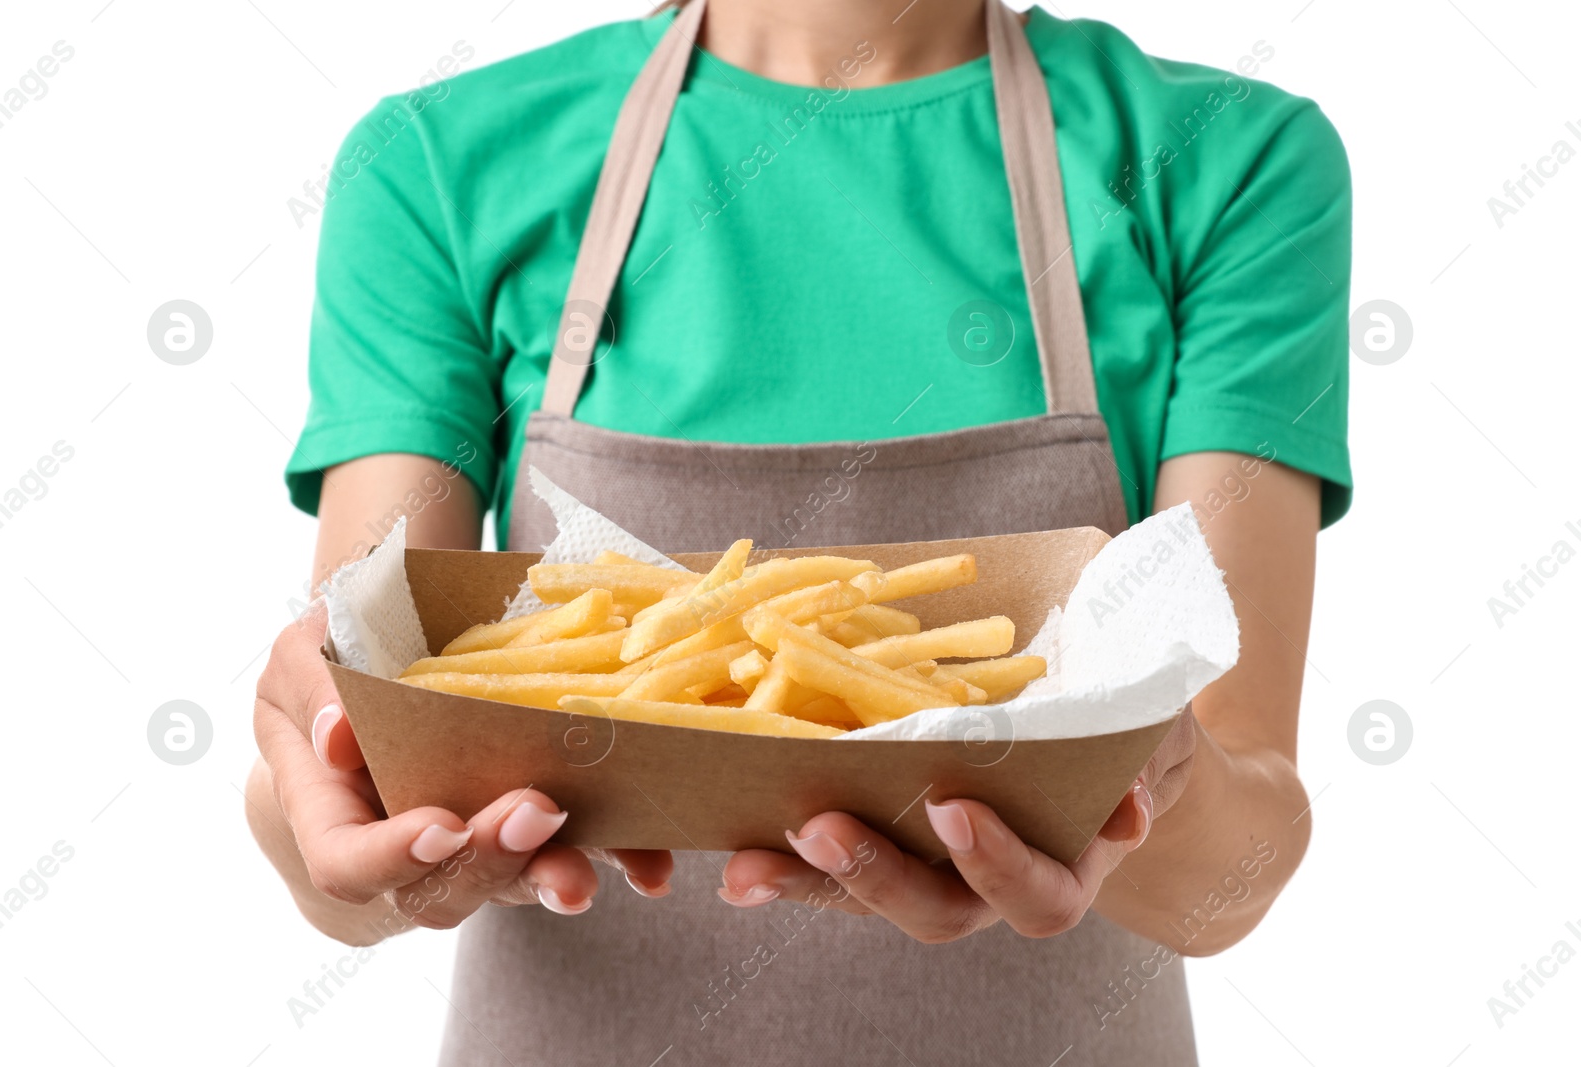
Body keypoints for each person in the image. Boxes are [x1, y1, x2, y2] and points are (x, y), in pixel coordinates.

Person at [247, 0, 1351, 1062]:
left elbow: (1240, 861)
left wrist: (1133, 776)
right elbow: (354, 743)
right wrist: (327, 804)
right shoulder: (439, 164)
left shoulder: (1229, 163)